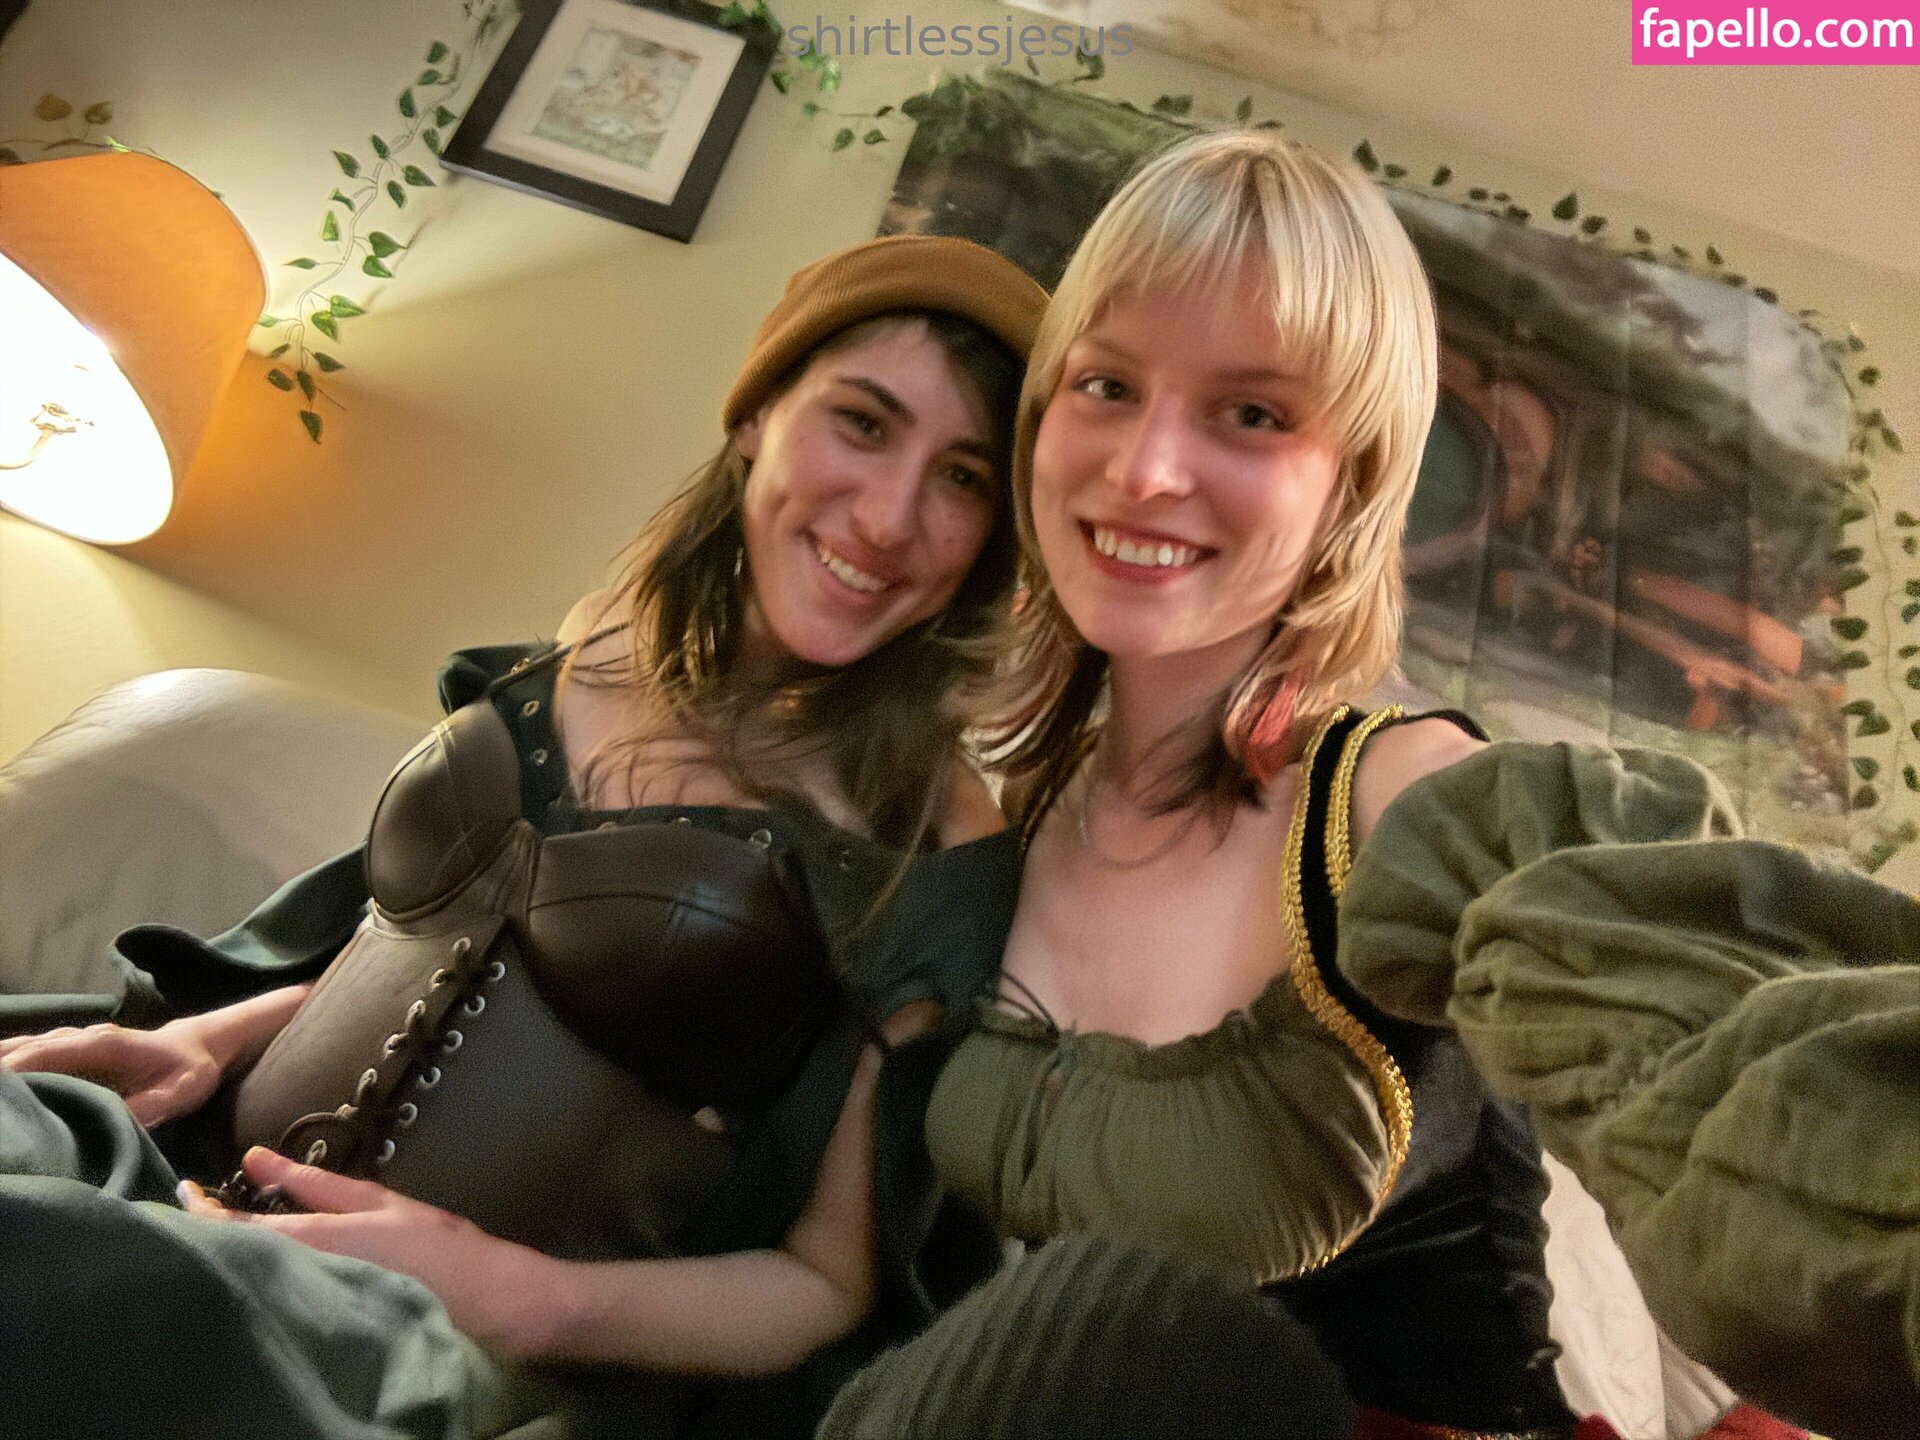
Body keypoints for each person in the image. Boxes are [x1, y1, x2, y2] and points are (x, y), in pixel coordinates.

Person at [820, 131, 1859, 1440]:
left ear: (1354, 480)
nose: (1144, 468)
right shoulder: (1017, 806)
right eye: (1107, 384)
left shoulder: (1402, 793)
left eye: (1252, 413)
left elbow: (1744, 1046)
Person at [0, 233, 1046, 1440]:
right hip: (180, 1172)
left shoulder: (937, 840)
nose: (891, 514)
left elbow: (828, 1284)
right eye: (861, 423)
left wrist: (522, 1298)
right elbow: (432, 942)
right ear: (759, 411)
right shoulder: (608, 637)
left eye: (962, 478)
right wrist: (203, 1038)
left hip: (422, 1360)